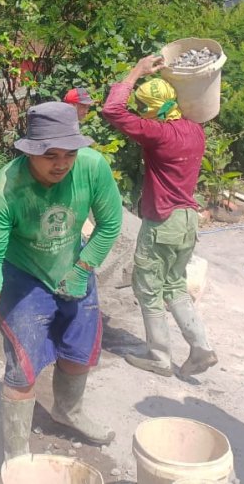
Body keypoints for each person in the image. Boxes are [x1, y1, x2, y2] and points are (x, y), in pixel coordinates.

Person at [0, 101, 123, 460]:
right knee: (23, 367)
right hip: (24, 275)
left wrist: (83, 268)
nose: (61, 164)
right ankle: (16, 453)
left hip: (75, 264)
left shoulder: (93, 167)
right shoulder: (5, 189)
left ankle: (68, 411)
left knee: (79, 349)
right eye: (50, 155)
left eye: (69, 154)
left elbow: (110, 223)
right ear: (30, 151)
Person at [101, 54, 217, 378]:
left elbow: (112, 110)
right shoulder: (195, 130)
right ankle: (201, 347)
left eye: (142, 107)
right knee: (174, 285)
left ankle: (159, 357)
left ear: (149, 108)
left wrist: (136, 71)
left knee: (149, 288)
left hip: (163, 221)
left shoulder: (158, 133)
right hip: (188, 221)